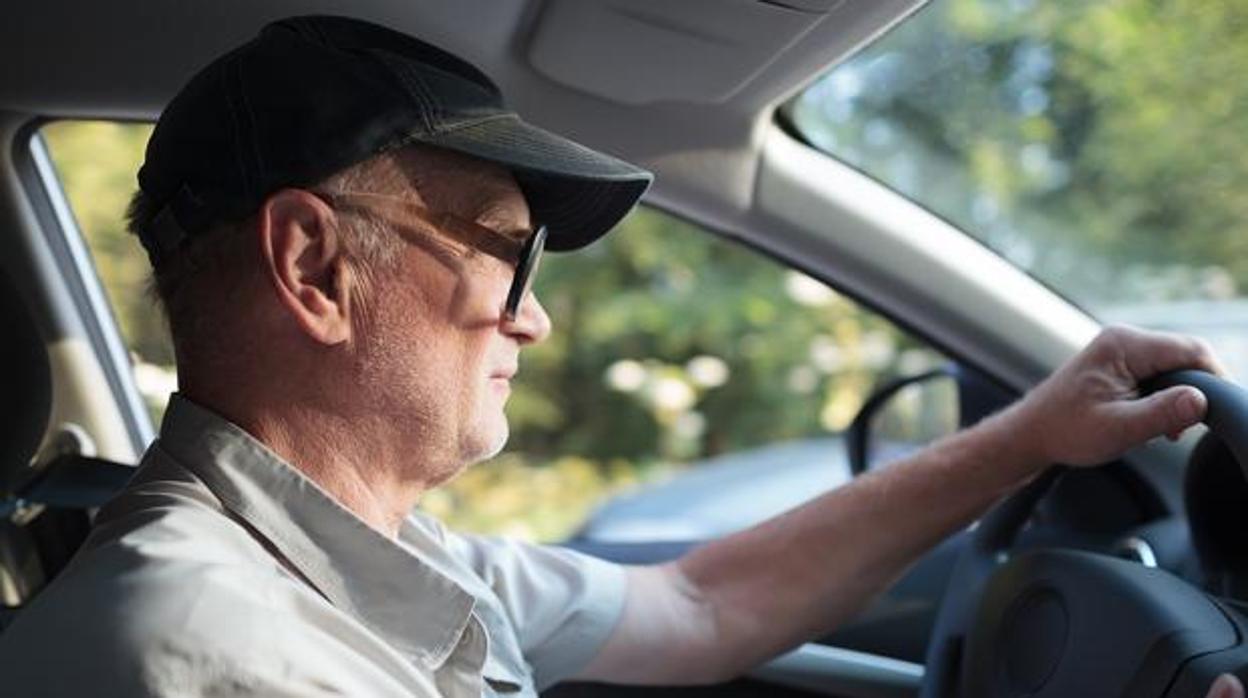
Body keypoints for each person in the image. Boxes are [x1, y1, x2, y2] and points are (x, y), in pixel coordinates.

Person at [0, 14, 1241, 697]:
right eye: (506, 252)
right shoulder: (198, 651)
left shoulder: (368, 553)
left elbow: (698, 605)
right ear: (316, 269)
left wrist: (1029, 433)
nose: (531, 316)